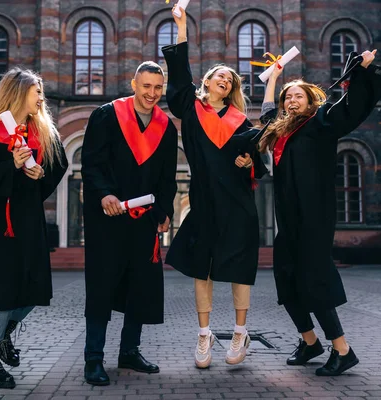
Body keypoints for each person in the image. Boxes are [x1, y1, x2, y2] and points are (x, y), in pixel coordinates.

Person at [258, 50, 381, 376]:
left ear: (310, 102)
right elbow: (265, 112)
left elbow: (351, 106)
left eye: (298, 96)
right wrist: (274, 78)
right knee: (285, 278)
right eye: (287, 97)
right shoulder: (279, 132)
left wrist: (363, 70)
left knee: (313, 279)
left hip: (314, 218)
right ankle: (310, 342)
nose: (291, 100)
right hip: (289, 221)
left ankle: (342, 350)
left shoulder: (321, 122)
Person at [162, 5, 268, 369]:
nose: (226, 81)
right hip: (204, 201)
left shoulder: (241, 122)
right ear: (206, 82)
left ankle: (241, 332)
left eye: (231, 80)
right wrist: (180, 25)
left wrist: (248, 162)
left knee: (238, 266)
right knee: (201, 267)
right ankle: (204, 335)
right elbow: (179, 71)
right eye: (220, 76)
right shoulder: (190, 109)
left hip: (237, 201)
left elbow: (257, 158)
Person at [0, 67, 68, 389]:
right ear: (19, 92)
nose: (41, 98)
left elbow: (57, 166)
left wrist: (39, 176)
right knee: (3, 291)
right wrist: (10, 164)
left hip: (29, 222)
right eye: (37, 92)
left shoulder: (41, 133)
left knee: (33, 288)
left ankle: (1, 337)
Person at [81, 61, 178, 386]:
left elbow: (167, 176)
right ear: (134, 84)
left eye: (157, 88)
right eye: (146, 86)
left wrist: (164, 211)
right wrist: (104, 195)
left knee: (139, 286)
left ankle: (129, 351)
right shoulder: (107, 115)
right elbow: (91, 162)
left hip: (144, 221)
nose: (152, 94)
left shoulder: (166, 126)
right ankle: (93, 358)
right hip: (108, 219)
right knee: (101, 286)